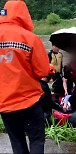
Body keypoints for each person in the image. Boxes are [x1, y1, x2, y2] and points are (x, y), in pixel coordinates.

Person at [0, 1, 49, 154]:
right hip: (29, 101)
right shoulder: (30, 38)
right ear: (24, 14)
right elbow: (42, 71)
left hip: (4, 103)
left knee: (17, 141)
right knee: (36, 139)